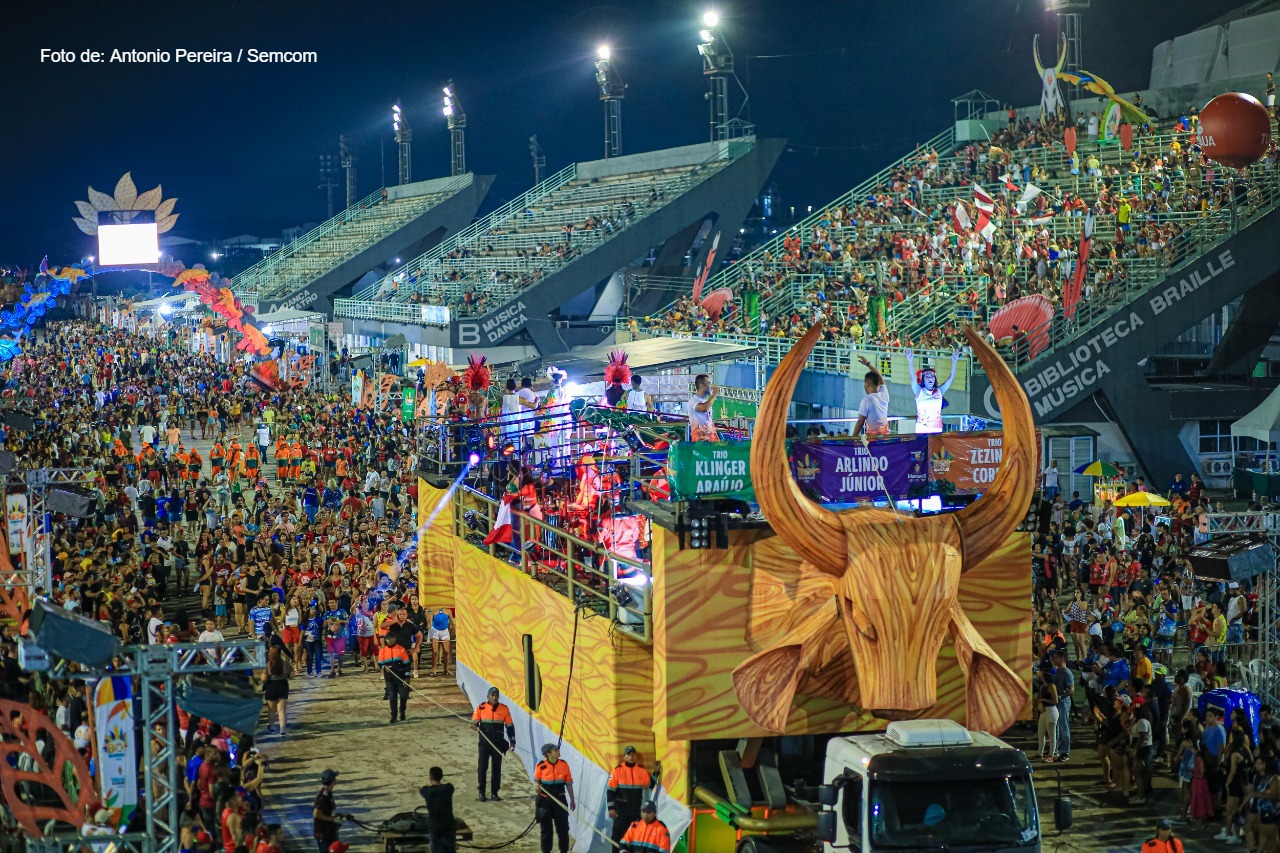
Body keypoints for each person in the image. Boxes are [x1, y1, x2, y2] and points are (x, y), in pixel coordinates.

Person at [607, 746, 660, 846]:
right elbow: (610, 791)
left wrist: (656, 772)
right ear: (624, 757)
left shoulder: (642, 771)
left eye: (633, 754)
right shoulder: (617, 771)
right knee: (617, 839)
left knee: (634, 839)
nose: (631, 757)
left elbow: (651, 785)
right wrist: (611, 808)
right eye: (628, 754)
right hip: (620, 813)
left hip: (635, 813)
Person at [471, 687, 516, 801]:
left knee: (496, 769)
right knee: (482, 768)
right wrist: (474, 726)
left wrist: (512, 740)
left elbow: (510, 726)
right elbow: (474, 722)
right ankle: (482, 793)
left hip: (497, 744)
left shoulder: (504, 709)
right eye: (492, 695)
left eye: (496, 695)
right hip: (484, 744)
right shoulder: (481, 708)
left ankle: (494, 793)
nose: (494, 697)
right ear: (488, 696)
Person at [905, 349, 960, 434]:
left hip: (937, 430)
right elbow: (912, 378)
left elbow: (951, 379)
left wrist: (954, 362)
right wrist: (910, 361)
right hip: (921, 430)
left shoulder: (939, 391)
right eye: (927, 376)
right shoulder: (919, 391)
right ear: (923, 379)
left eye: (932, 376)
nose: (930, 378)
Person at [535, 743, 575, 853]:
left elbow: (569, 783)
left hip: (560, 800)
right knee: (546, 831)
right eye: (555, 750)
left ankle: (564, 851)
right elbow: (536, 781)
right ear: (548, 754)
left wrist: (572, 799)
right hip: (545, 801)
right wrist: (537, 786)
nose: (558, 751)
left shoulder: (564, 765)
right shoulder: (540, 766)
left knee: (563, 829)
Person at [418, 766, 457, 853]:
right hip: (448, 827)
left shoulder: (427, 791)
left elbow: (421, 790)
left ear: (430, 777)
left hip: (435, 828)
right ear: (442, 776)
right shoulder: (448, 788)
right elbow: (450, 786)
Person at [852, 356, 889, 437]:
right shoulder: (884, 395)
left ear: (866, 384)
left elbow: (860, 422)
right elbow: (880, 378)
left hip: (873, 440)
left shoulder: (867, 401)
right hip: (885, 437)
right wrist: (868, 364)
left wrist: (852, 438)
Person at [313, 769, 343, 853]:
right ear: (333, 780)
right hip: (324, 834)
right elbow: (316, 814)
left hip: (329, 832)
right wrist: (332, 819)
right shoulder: (323, 796)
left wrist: (341, 815)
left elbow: (327, 811)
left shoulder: (328, 793)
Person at [686, 374, 718, 442]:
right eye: (709, 383)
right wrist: (714, 395)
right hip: (700, 439)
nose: (711, 386)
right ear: (701, 385)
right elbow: (704, 408)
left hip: (710, 438)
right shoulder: (693, 400)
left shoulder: (706, 401)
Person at [429, 607, 453, 676]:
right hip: (435, 631)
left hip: (444, 631)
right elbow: (429, 620)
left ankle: (445, 670)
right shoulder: (433, 610)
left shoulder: (448, 611)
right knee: (435, 651)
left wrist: (454, 630)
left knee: (446, 651)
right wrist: (428, 622)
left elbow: (451, 621)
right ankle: (434, 669)